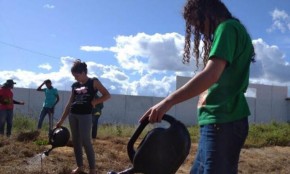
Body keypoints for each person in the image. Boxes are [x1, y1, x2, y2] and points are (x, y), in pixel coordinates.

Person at [139, 0, 256, 173]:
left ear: (207, 11)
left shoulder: (227, 28)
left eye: (198, 22)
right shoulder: (231, 30)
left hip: (223, 121)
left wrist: (167, 101)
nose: (198, 29)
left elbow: (211, 75)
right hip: (218, 122)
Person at [56, 59, 111, 174]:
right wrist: (61, 120)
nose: (75, 78)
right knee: (76, 142)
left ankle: (92, 170)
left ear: (83, 73)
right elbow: (70, 103)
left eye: (76, 76)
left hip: (85, 115)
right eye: (74, 76)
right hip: (73, 115)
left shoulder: (93, 82)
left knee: (86, 141)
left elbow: (107, 95)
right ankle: (80, 167)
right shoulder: (75, 85)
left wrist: (95, 102)